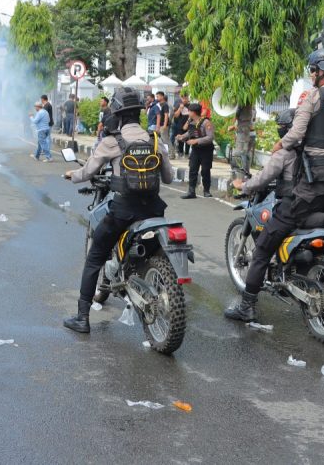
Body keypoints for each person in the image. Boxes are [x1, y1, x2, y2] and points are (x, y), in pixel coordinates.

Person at [224, 48, 324, 323]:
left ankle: (247, 305)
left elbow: (297, 133)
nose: (312, 75)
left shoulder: (314, 97)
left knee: (265, 244)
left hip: (316, 177)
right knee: (311, 220)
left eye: (314, 70)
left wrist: (280, 145)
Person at [62, 87, 173, 333]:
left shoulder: (112, 141)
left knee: (94, 257)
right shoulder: (155, 140)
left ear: (117, 114)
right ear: (139, 113)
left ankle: (82, 317)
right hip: (154, 211)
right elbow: (168, 178)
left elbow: (88, 171)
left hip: (125, 210)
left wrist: (72, 175)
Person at [176, 102, 214, 198]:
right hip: (196, 150)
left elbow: (210, 137)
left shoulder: (206, 122)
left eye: (189, 111)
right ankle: (191, 191)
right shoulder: (192, 122)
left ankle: (206, 191)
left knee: (205, 170)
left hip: (206, 150)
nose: (188, 113)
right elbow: (190, 133)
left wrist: (196, 141)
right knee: (193, 169)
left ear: (193, 112)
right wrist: (181, 137)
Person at [171, 93, 191, 159]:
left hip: (188, 125)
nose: (185, 100)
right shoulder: (178, 105)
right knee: (181, 139)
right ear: (181, 98)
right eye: (183, 98)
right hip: (179, 125)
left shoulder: (190, 106)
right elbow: (176, 115)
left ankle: (187, 153)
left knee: (188, 138)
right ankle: (180, 152)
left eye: (186, 98)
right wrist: (180, 108)